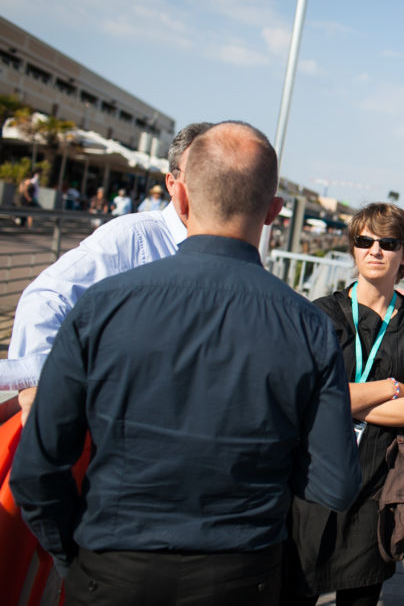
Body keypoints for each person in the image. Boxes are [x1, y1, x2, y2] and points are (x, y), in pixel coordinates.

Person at [10, 121, 362, 606]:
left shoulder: (101, 306)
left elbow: (36, 470)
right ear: (274, 213)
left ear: (181, 199)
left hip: (111, 569)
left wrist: (77, 557)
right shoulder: (310, 327)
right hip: (244, 573)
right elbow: (336, 484)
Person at [284, 202, 404, 606]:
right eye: (364, 240)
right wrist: (392, 386)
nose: (375, 250)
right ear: (353, 249)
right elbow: (307, 397)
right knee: (296, 591)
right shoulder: (320, 314)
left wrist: (339, 397)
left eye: (387, 243)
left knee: (360, 598)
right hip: (313, 480)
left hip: (376, 486)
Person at [2, 122, 210, 422]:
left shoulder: (228, 255)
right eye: (199, 175)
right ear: (172, 184)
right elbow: (48, 297)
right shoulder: (134, 237)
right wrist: (38, 382)